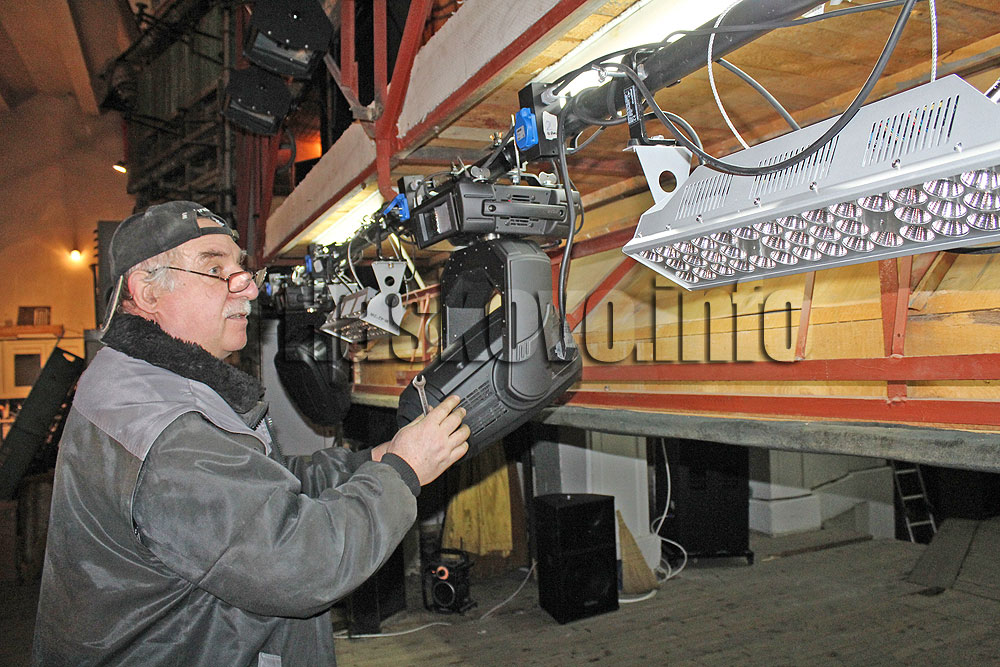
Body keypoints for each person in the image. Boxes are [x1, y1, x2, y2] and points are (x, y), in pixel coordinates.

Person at [33, 201, 470, 666]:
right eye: (215, 270)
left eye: (241, 269)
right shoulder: (168, 430)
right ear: (147, 291)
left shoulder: (144, 380)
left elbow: (261, 483)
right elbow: (304, 565)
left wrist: (374, 461)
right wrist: (402, 472)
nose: (248, 288)